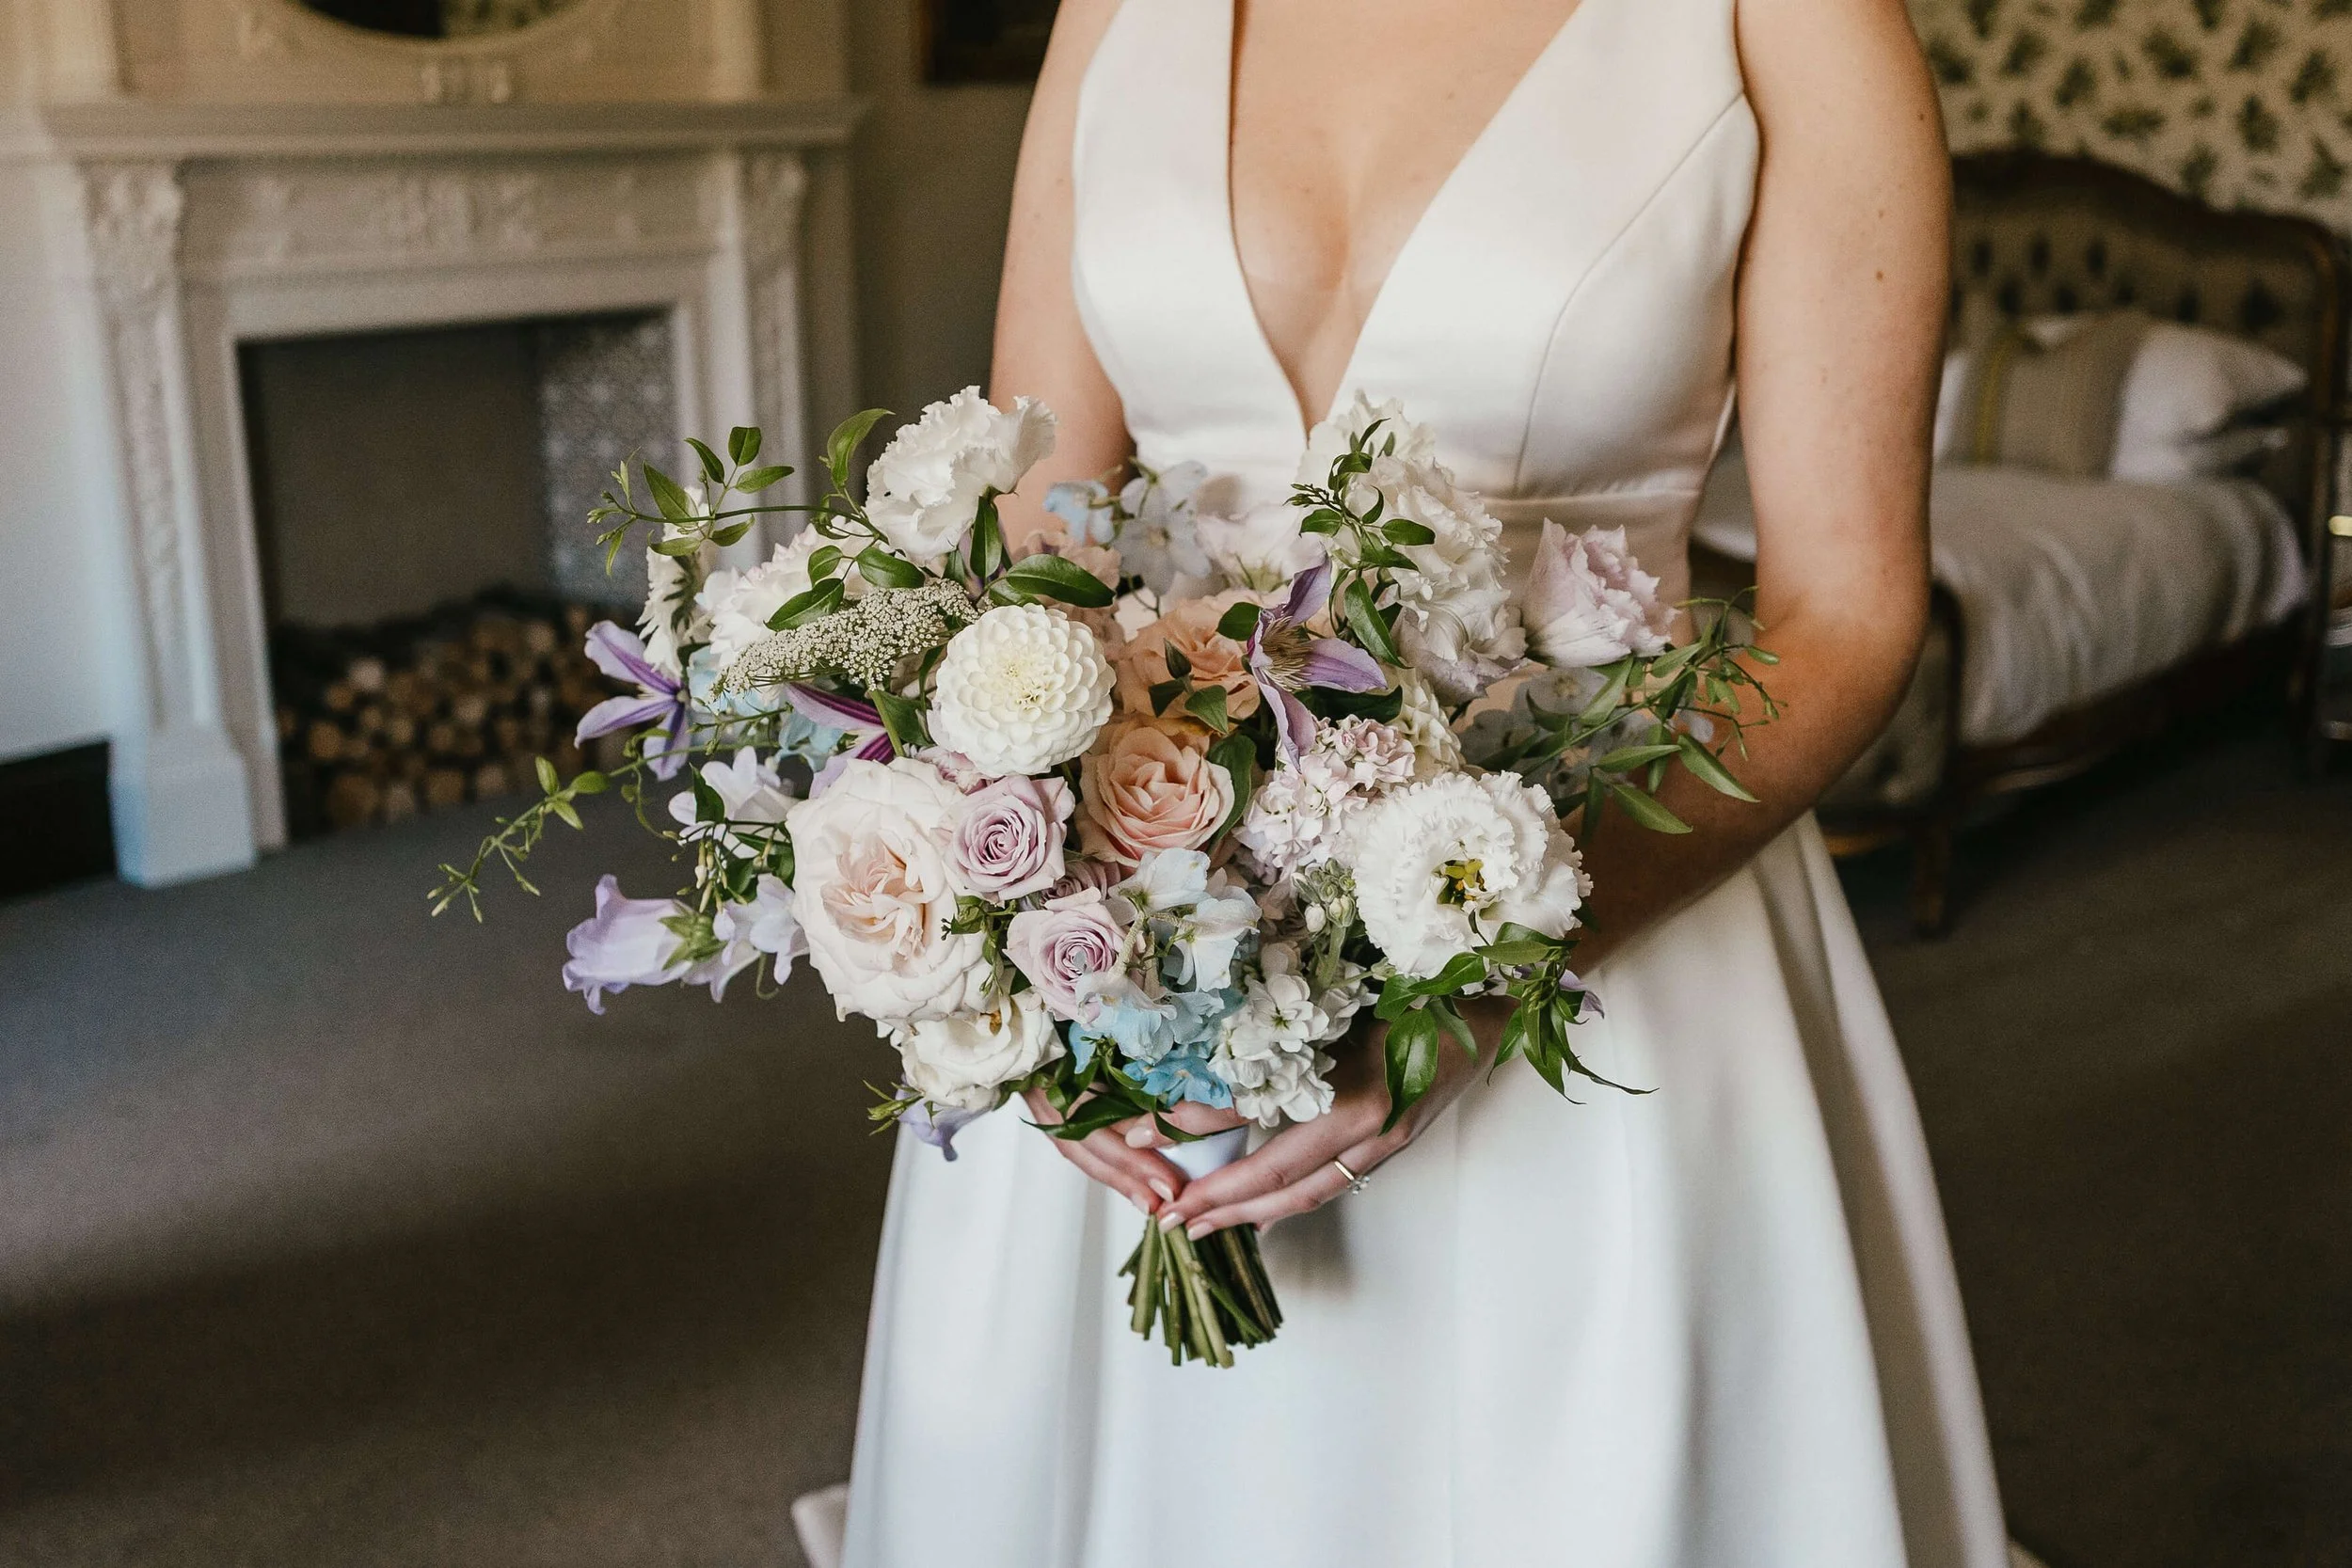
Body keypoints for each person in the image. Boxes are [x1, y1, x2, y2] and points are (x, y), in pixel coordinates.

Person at [841, 1, 2008, 1563]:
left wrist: (1485, 982)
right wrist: (1017, 945)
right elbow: (1045, 528)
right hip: (1135, 944)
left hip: (1595, 943)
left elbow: (1849, 614)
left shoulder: (1786, 18)